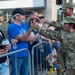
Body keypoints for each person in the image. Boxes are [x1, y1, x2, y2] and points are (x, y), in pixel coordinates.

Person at [7, 8, 34, 75]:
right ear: (16, 16)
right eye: (22, 15)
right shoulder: (12, 26)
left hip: (25, 54)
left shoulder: (24, 25)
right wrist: (30, 29)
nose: (24, 16)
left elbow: (30, 38)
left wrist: (19, 39)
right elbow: (24, 37)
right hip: (16, 55)